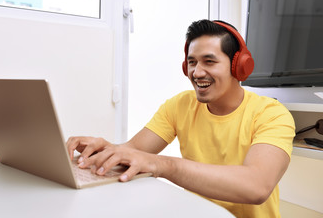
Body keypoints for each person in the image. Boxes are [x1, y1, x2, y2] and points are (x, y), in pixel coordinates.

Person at [66, 19, 295, 218]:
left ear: (239, 66)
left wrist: (164, 165)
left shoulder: (272, 114)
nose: (196, 72)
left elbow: (256, 186)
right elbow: (135, 150)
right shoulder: (180, 105)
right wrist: (106, 151)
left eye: (209, 61)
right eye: (192, 62)